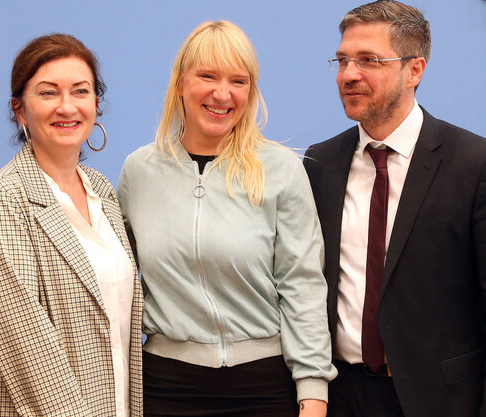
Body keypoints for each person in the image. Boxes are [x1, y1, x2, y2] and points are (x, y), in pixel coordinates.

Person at [303, 1, 486, 416]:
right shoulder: (320, 163)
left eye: (369, 60)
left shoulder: (477, 166)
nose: (349, 74)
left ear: (414, 70)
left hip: (440, 401)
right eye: (343, 59)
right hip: (338, 396)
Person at [118, 21, 335, 417]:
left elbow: (302, 285)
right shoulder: (139, 170)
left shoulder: (281, 169)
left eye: (238, 80)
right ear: (181, 82)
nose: (223, 94)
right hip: (165, 386)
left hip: (266, 386)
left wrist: (314, 391)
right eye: (207, 76)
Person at [0, 34, 142, 416]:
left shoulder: (102, 190)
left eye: (80, 91)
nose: (67, 106)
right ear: (20, 110)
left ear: (96, 104)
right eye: (48, 93)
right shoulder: (2, 196)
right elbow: (26, 345)